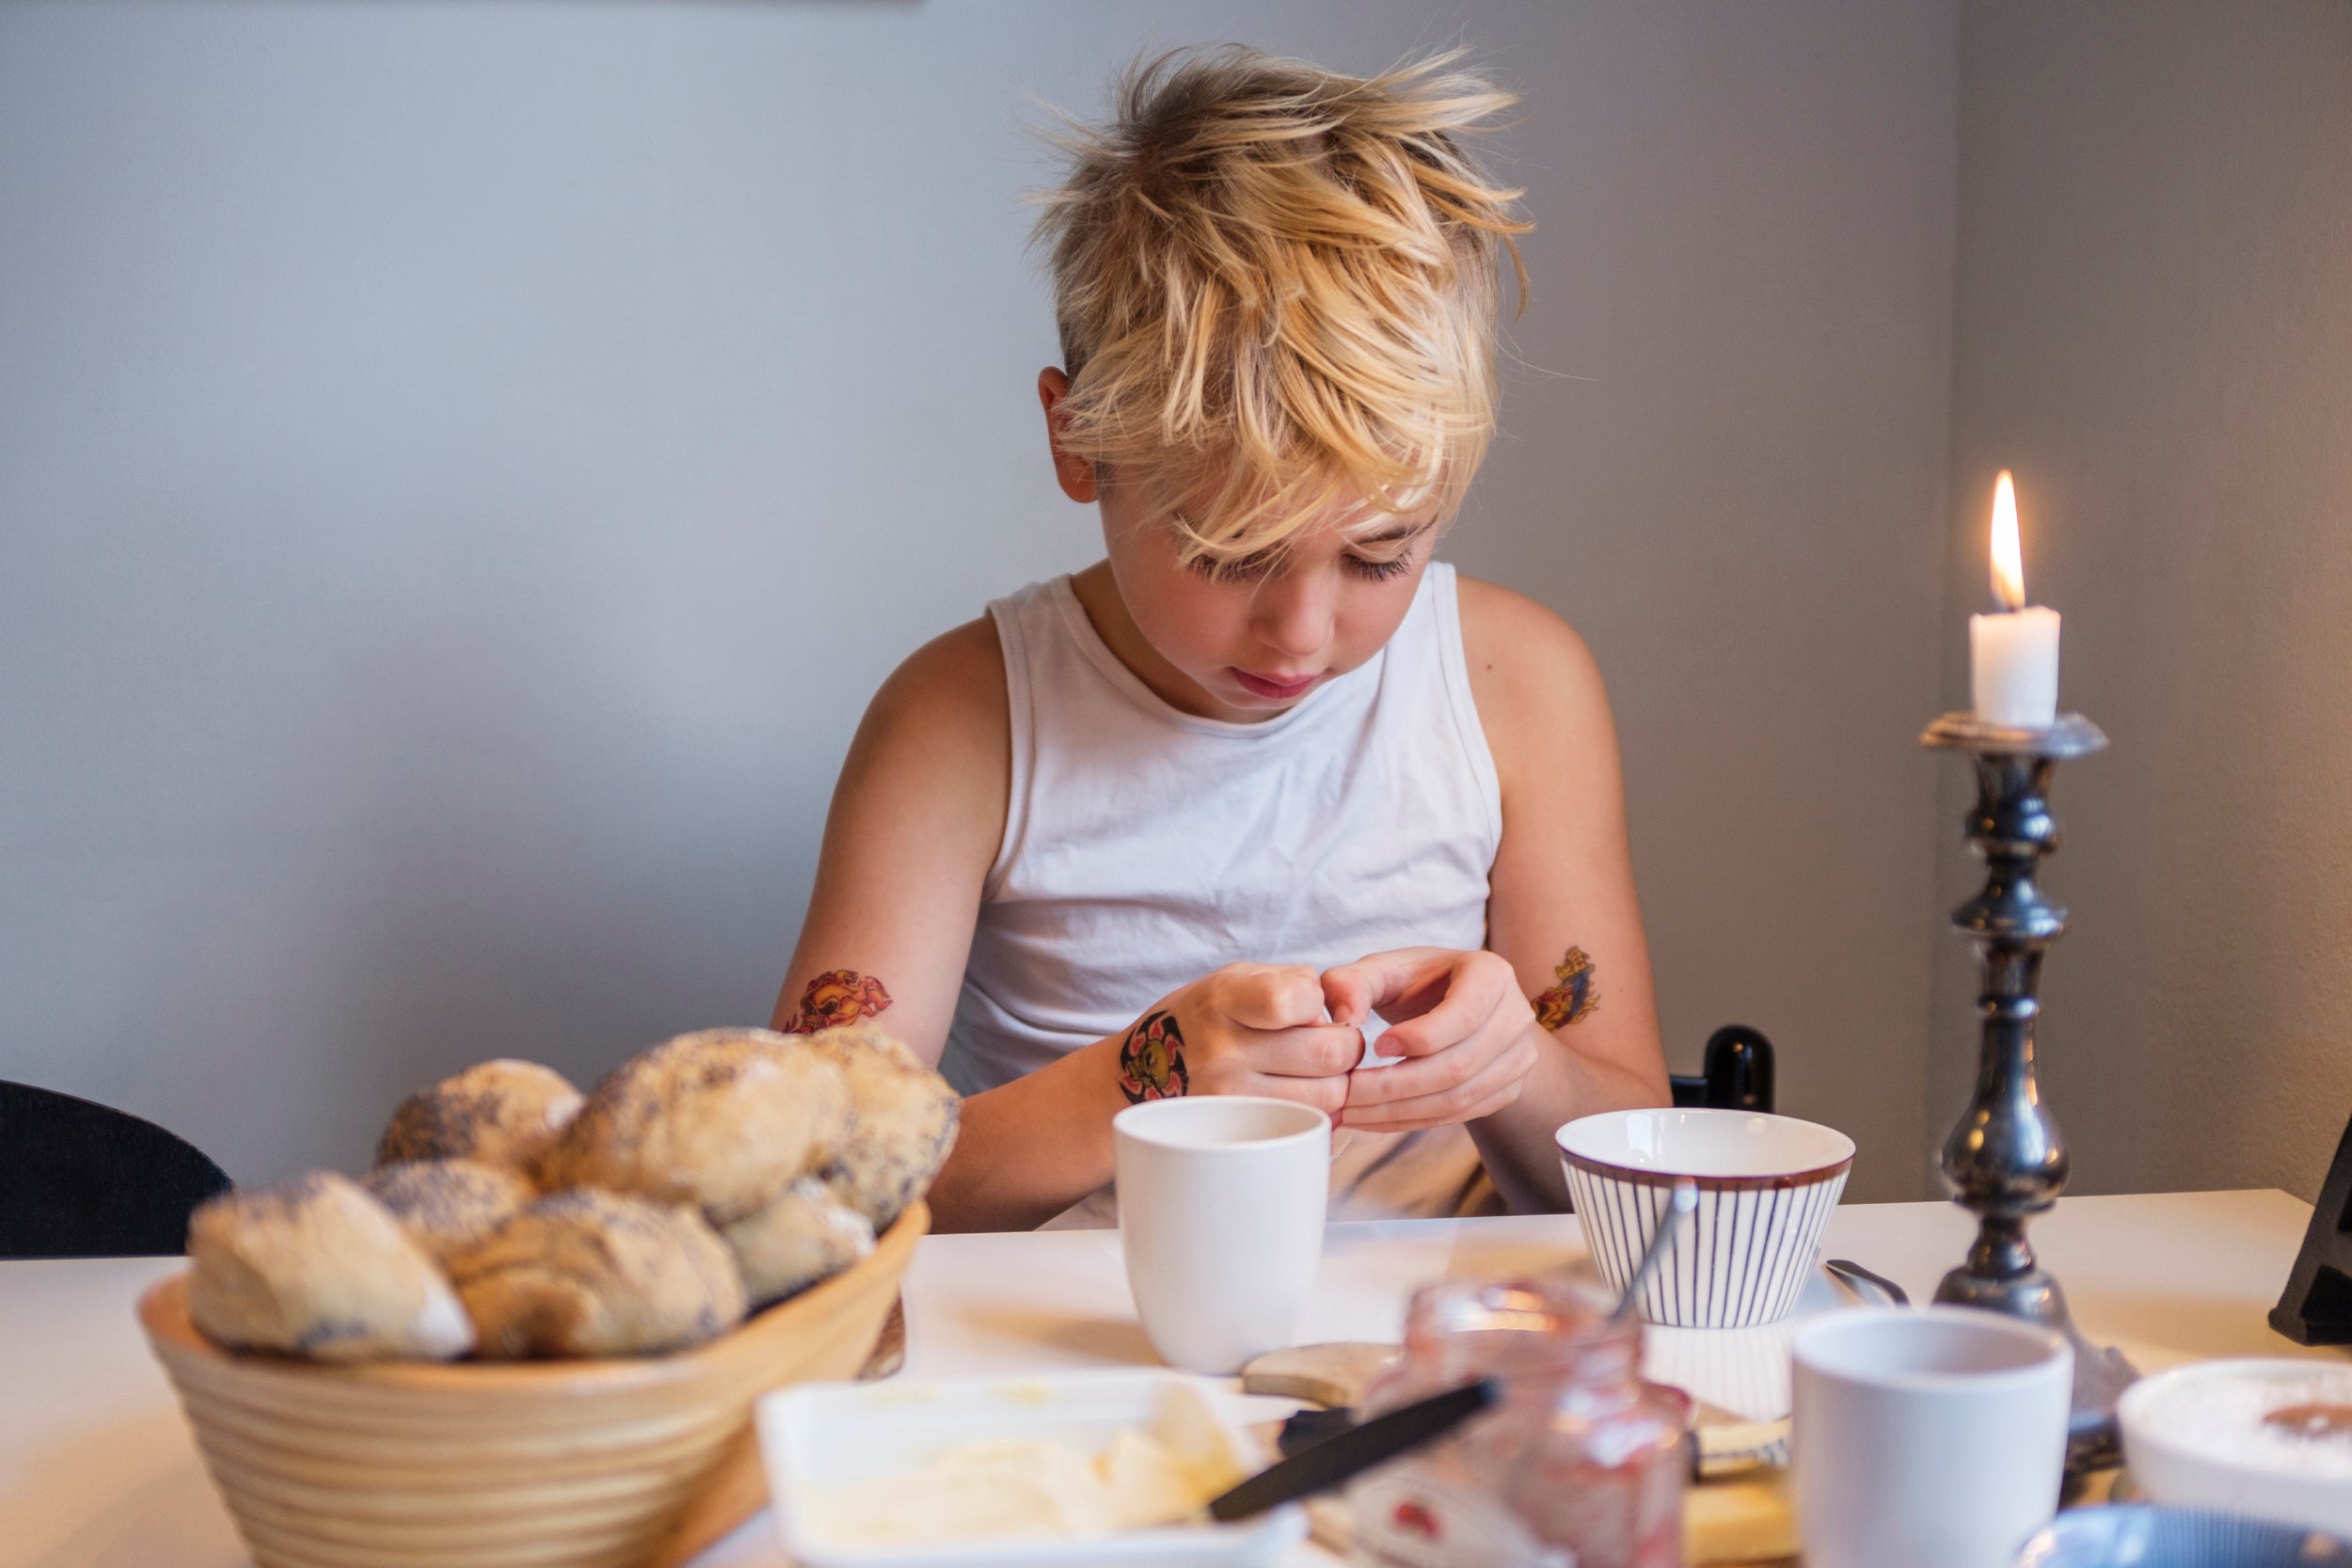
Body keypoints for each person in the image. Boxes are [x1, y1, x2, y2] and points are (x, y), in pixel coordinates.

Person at [773, 45, 1670, 1232]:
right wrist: (1143, 1075)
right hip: (1077, 1358)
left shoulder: (1517, 686)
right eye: (1229, 551)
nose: (1301, 632)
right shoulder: (964, 720)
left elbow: (1631, 1183)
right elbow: (811, 1182)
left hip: (1423, 1357)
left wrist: (1514, 1065)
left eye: (1379, 555)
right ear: (1076, 438)